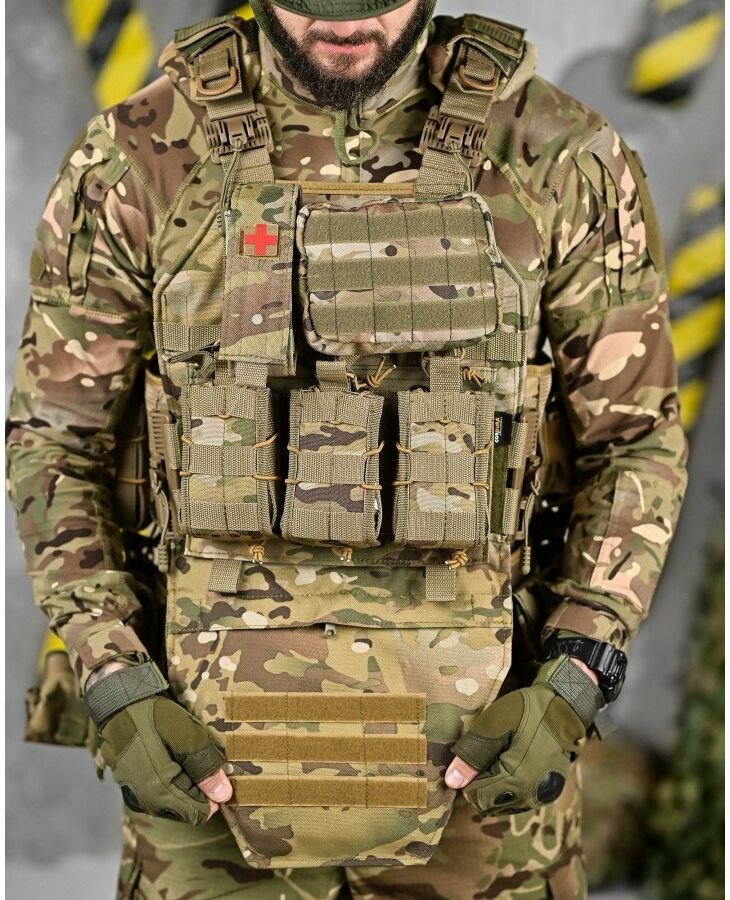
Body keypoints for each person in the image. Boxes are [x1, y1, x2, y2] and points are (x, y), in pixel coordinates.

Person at [7, 1, 688, 897]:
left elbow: (634, 441)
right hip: (200, 768)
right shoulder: (139, 157)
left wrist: (577, 673)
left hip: (489, 771)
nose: (345, 22)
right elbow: (54, 441)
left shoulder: (558, 156)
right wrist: (112, 673)